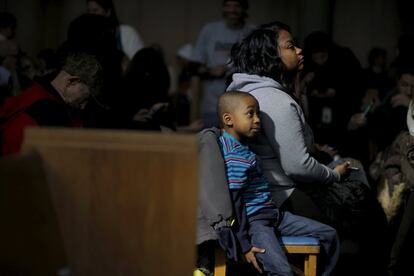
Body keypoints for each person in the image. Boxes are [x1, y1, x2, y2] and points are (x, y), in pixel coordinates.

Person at [217, 90, 339, 275]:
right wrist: (243, 244)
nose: (257, 119)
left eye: (258, 113)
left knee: (329, 235)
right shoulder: (232, 155)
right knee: (282, 271)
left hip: (274, 214)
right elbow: (235, 201)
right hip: (256, 223)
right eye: (250, 113)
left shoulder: (244, 146)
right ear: (228, 119)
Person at [0, 52, 102, 155]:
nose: (83, 106)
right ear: (71, 81)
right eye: (84, 99)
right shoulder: (53, 112)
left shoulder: (32, 90)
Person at [190, 0, 255, 128]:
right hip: (213, 105)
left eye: (236, 6)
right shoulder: (209, 30)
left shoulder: (252, 31)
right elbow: (193, 67)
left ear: (244, 9)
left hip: (244, 103)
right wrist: (211, 71)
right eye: (228, 6)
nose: (232, 10)